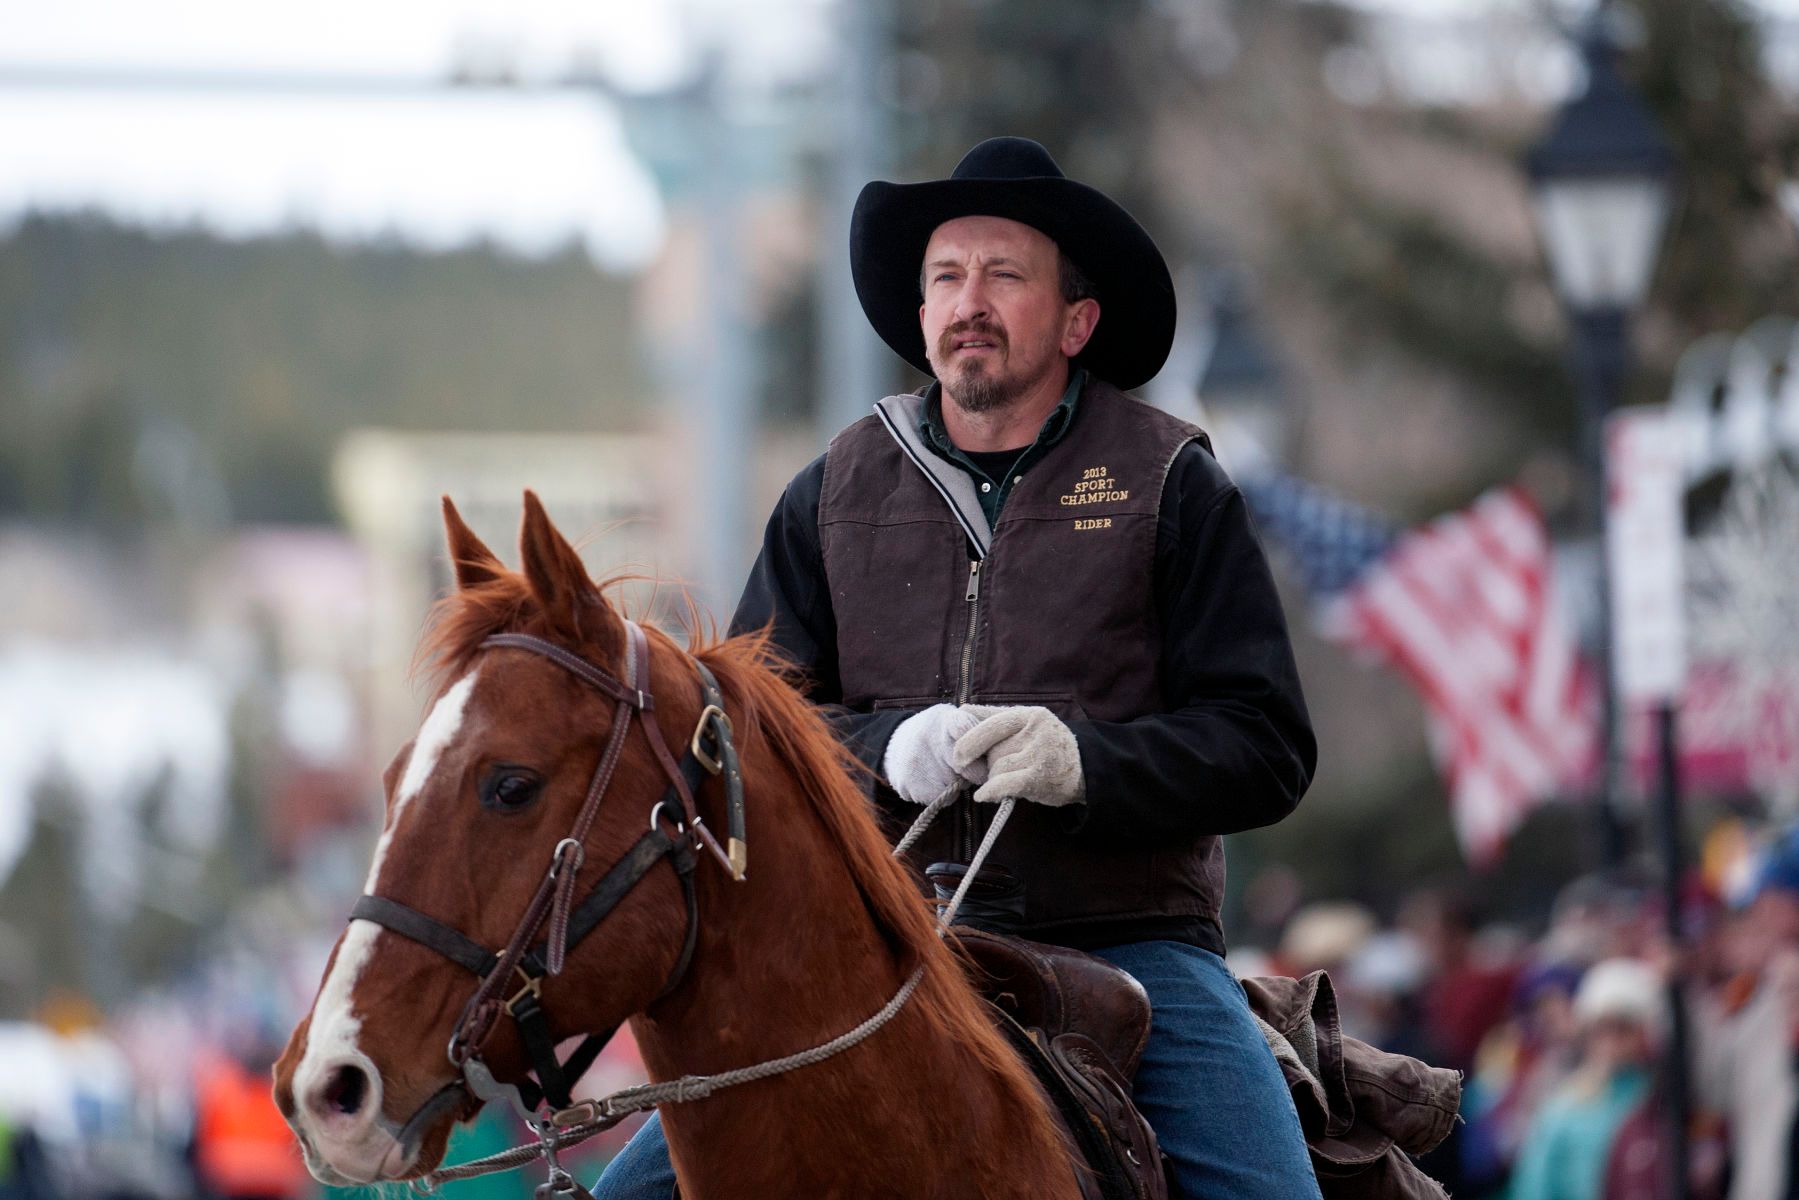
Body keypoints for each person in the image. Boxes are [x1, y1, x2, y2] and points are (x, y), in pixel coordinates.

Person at [595, 136, 1320, 1199]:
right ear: (923, 314)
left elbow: (1266, 748)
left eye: (1003, 275)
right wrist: (892, 748)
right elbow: (742, 742)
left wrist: (1086, 765)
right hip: (877, 951)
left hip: (1133, 953)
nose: (967, 301)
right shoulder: (830, 492)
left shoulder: (1173, 482)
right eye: (945, 277)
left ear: (1076, 320)